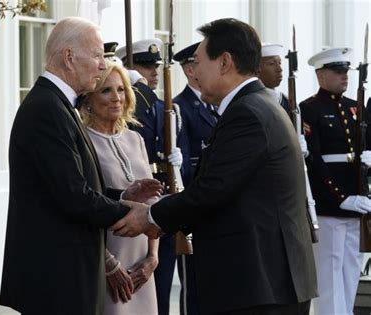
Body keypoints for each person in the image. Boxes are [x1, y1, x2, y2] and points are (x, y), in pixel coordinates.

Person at [111, 18, 318, 315]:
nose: (193, 71)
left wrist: (152, 215)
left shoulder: (247, 113)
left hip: (259, 285)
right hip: (265, 281)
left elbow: (212, 190)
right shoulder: (257, 105)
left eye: (198, 61)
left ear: (224, 62)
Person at [0, 17, 162, 315]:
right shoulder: (47, 109)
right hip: (55, 276)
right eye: (98, 55)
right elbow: (73, 196)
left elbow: (74, 186)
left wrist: (123, 196)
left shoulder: (58, 104)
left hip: (65, 272)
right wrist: (138, 214)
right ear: (69, 57)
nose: (103, 65)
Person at [79, 60, 159, 315]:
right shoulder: (82, 142)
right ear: (89, 98)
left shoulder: (135, 138)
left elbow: (151, 206)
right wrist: (108, 265)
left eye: (122, 89)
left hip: (142, 266)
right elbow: (79, 206)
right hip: (105, 264)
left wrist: (152, 259)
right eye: (106, 90)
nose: (116, 98)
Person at [116, 38, 186, 315]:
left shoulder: (166, 107)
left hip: (165, 200)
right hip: (138, 203)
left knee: (163, 285)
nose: (153, 72)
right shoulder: (136, 104)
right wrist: (136, 89)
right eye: (145, 66)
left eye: (155, 67)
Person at [300, 47, 371, 315]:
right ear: (321, 75)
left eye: (346, 72)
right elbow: (314, 162)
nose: (344, 77)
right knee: (329, 276)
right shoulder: (309, 109)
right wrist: (341, 198)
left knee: (350, 272)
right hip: (330, 206)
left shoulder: (355, 107)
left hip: (358, 204)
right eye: (338, 72)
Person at [172, 41, 215, 315]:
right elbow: (185, 165)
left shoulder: (217, 105)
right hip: (195, 206)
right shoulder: (180, 108)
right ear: (190, 70)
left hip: (215, 207)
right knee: (194, 287)